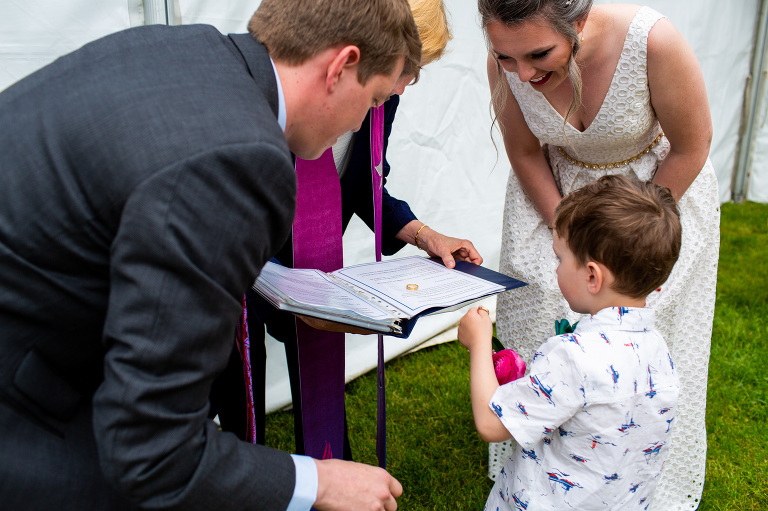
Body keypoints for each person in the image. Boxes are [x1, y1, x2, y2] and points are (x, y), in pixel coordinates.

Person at [0, 0, 421, 509]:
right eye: (373, 99)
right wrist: (318, 482)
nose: (364, 121)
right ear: (340, 67)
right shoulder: (241, 161)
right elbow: (152, 452)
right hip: (28, 406)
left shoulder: (191, 49)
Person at [211, 0, 483, 459]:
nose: (405, 85)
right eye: (405, 69)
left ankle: (330, 469)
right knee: (240, 380)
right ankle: (244, 470)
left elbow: (364, 184)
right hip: (241, 254)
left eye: (414, 72)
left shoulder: (380, 102)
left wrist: (422, 233)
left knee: (320, 367)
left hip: (314, 254)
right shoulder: (279, 98)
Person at [477, 1, 720, 507]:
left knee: (645, 335)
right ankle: (540, 456)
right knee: (545, 305)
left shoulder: (653, 42)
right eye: (505, 58)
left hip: (650, 203)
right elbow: (524, 151)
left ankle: (628, 466)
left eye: (539, 54)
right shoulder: (510, 57)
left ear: (579, 24)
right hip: (555, 197)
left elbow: (691, 146)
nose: (521, 73)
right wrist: (566, 227)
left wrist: (632, 234)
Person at [458, 175, 682, 510]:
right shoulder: (659, 350)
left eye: (560, 259)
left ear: (592, 276)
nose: (556, 269)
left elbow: (492, 424)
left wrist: (479, 343)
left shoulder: (571, 355)